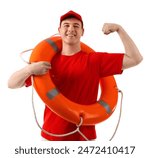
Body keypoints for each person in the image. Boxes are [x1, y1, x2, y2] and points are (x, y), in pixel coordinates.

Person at [8, 10, 143, 141]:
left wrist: (120, 29)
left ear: (82, 32)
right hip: (51, 136)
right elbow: (11, 84)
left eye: (76, 26)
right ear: (59, 30)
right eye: (66, 25)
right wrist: (30, 69)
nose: (71, 29)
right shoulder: (47, 63)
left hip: (84, 138)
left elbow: (135, 59)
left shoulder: (94, 60)